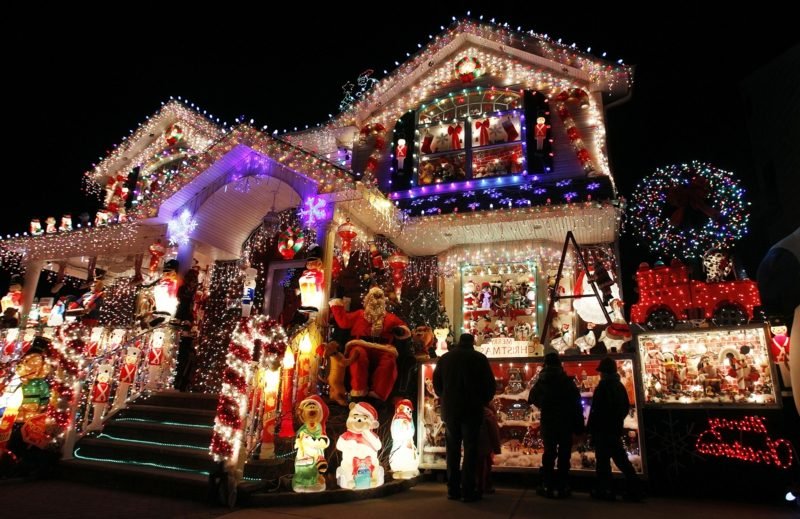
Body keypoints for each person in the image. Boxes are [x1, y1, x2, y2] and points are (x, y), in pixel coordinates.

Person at [432, 333, 495, 502]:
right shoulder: (479, 358)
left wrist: (445, 397)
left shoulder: (445, 359)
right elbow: (490, 385)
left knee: (452, 450)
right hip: (472, 409)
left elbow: (436, 384)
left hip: (451, 410)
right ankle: (468, 489)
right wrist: (482, 401)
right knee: (471, 450)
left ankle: (453, 489)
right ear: (472, 342)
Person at [528, 352, 583, 498]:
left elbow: (532, 397)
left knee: (549, 453)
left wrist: (543, 405)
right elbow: (576, 403)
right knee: (565, 454)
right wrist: (579, 425)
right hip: (565, 421)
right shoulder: (566, 381)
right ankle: (563, 485)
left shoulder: (542, 380)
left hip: (549, 421)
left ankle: (547, 484)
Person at [588, 357, 642, 502]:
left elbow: (596, 411)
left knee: (604, 461)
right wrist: (616, 420)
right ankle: (633, 488)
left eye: (601, 372)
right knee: (620, 459)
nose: (600, 374)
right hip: (614, 428)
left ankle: (605, 489)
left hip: (603, 429)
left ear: (604, 372)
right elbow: (624, 408)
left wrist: (591, 427)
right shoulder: (619, 386)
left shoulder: (603, 387)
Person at [476, 401, 501, 496]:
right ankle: (484, 486)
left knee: (476, 465)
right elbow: (494, 432)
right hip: (485, 444)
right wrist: (496, 448)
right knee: (485, 465)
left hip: (474, 443)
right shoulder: (488, 414)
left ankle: (477, 486)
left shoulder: (471, 410)